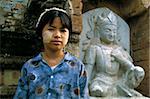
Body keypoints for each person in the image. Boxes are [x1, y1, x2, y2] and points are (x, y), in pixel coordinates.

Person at [14, 7, 89, 99]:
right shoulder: (30, 66)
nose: (57, 35)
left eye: (63, 30)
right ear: (41, 32)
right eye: (51, 29)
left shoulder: (77, 67)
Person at [83, 10, 144, 97]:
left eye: (114, 31)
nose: (112, 34)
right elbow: (87, 71)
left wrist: (121, 59)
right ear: (98, 31)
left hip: (118, 83)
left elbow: (131, 69)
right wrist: (84, 88)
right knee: (97, 90)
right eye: (108, 30)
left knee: (139, 71)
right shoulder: (94, 48)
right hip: (101, 81)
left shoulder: (119, 50)